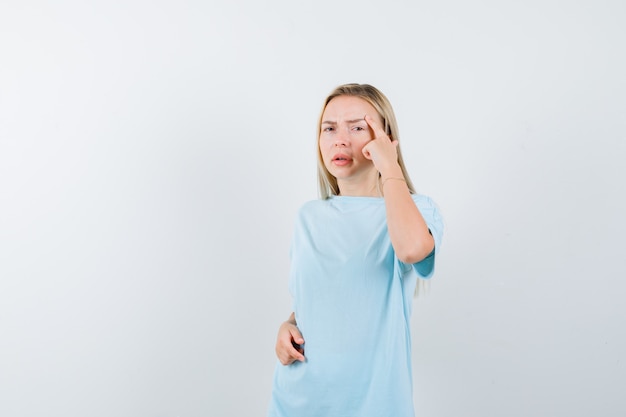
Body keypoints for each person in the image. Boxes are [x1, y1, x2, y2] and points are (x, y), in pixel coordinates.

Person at [266, 83, 444, 417]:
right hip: (296, 401)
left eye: (357, 127)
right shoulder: (308, 216)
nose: (340, 139)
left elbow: (412, 250)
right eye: (329, 128)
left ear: (383, 138)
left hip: (374, 406)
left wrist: (390, 167)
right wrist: (288, 325)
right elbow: (322, 298)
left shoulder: (418, 210)